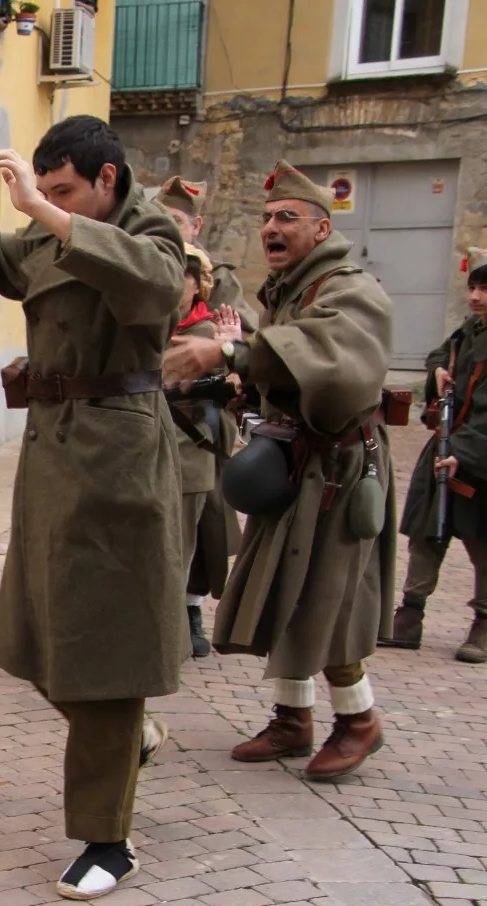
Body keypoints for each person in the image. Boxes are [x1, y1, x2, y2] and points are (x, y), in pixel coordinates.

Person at [0, 115, 188, 900]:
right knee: (38, 635)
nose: (46, 201)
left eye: (63, 189)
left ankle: (109, 841)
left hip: (116, 458)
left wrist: (45, 211)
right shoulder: (63, 225)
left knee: (102, 650)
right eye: (43, 187)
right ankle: (130, 737)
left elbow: (157, 286)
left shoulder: (146, 227)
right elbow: (0, 260)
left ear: (106, 180)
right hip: (53, 453)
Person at [164, 159, 396, 782]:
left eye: (286, 217)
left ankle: (359, 720)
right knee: (284, 592)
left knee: (331, 599)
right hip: (299, 465)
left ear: (321, 230)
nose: (271, 226)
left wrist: (235, 348)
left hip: (341, 471)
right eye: (267, 217)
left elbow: (331, 358)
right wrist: (244, 389)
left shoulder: (349, 288)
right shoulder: (292, 288)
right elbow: (289, 371)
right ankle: (293, 719)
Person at [381, 248, 487, 663]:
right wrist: (437, 372)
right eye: (472, 287)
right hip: (449, 447)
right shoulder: (471, 329)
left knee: (486, 545)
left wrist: (464, 454)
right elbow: (441, 355)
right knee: (427, 534)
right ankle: (409, 617)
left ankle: (482, 624)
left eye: (485, 288)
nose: (475, 296)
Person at [165, 245, 242, 657]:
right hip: (143, 451)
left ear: (198, 286)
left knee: (184, 548)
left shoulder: (213, 335)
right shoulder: (143, 326)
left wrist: (231, 355)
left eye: (180, 275)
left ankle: (178, 628)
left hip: (192, 451)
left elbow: (243, 391)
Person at [155, 176, 259, 337]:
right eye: (159, 221)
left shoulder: (217, 277)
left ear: (195, 227)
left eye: (176, 222)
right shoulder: (142, 260)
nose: (166, 230)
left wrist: (216, 346)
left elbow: (247, 336)